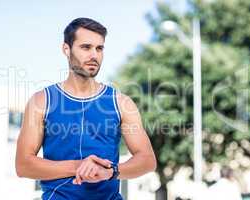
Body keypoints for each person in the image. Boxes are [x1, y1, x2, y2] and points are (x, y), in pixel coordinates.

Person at [15, 17, 157, 200]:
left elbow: (147, 160)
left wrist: (110, 171)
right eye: (86, 47)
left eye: (99, 48)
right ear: (66, 49)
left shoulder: (121, 103)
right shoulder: (41, 101)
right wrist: (79, 166)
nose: (94, 55)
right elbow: (23, 165)